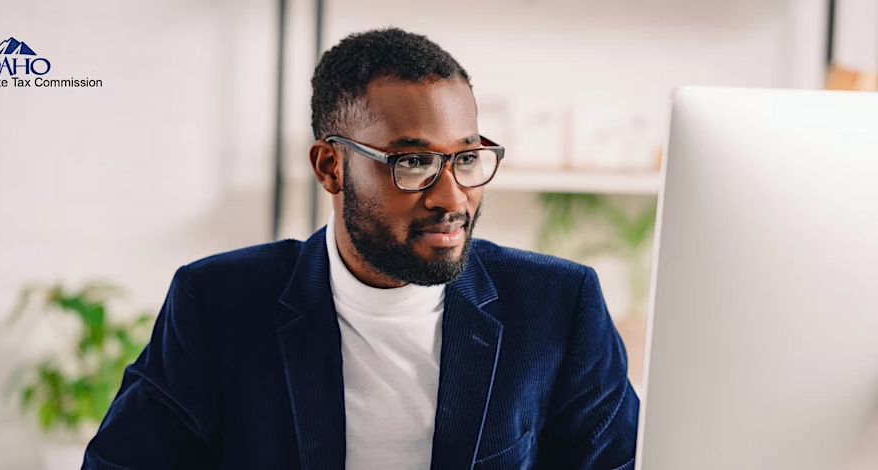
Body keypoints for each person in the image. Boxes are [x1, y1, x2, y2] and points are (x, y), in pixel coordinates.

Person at [83, 27, 638, 470]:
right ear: (331, 167)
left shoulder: (557, 304)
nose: (453, 198)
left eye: (466, 159)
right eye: (413, 162)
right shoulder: (220, 299)